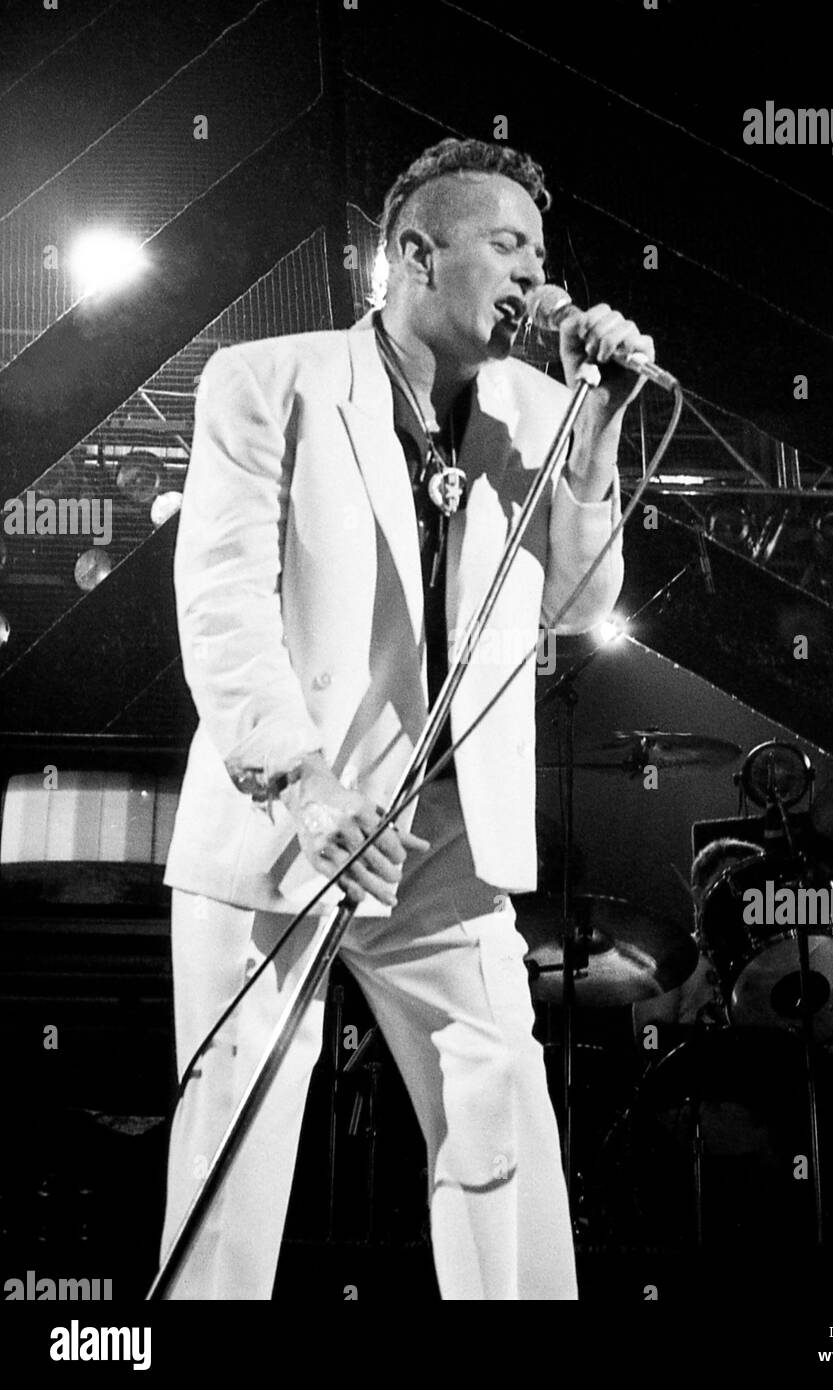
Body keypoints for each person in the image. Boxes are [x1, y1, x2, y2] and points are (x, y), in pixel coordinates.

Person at [158, 137, 655, 1301]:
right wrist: (302, 785)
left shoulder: (541, 405)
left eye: (540, 248)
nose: (533, 272)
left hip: (441, 834)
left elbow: (583, 611)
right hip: (286, 821)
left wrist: (599, 432)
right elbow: (222, 604)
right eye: (505, 244)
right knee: (236, 1135)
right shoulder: (264, 379)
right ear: (416, 254)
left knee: (500, 1110)